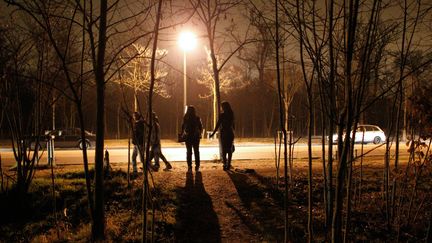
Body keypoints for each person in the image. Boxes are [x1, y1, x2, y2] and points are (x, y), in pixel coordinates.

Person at [210, 101, 235, 170]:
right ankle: (228, 164)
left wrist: (213, 133)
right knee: (229, 150)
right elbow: (233, 125)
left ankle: (225, 164)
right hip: (229, 132)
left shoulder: (222, 115)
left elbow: (218, 125)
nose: (221, 108)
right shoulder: (231, 114)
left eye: (222, 106)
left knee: (224, 149)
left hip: (224, 133)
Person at [181, 106, 203, 172]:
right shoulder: (197, 118)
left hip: (188, 137)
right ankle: (197, 166)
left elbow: (183, 127)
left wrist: (182, 134)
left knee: (189, 152)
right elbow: (200, 127)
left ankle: (190, 166)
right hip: (196, 137)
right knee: (196, 151)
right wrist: (199, 133)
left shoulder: (186, 118)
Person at [131, 112, 145, 176]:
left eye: (134, 116)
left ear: (136, 116)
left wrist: (136, 140)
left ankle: (149, 167)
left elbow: (141, 133)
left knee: (142, 159)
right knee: (133, 157)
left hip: (139, 144)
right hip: (136, 144)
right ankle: (135, 170)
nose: (133, 117)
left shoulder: (140, 124)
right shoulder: (136, 123)